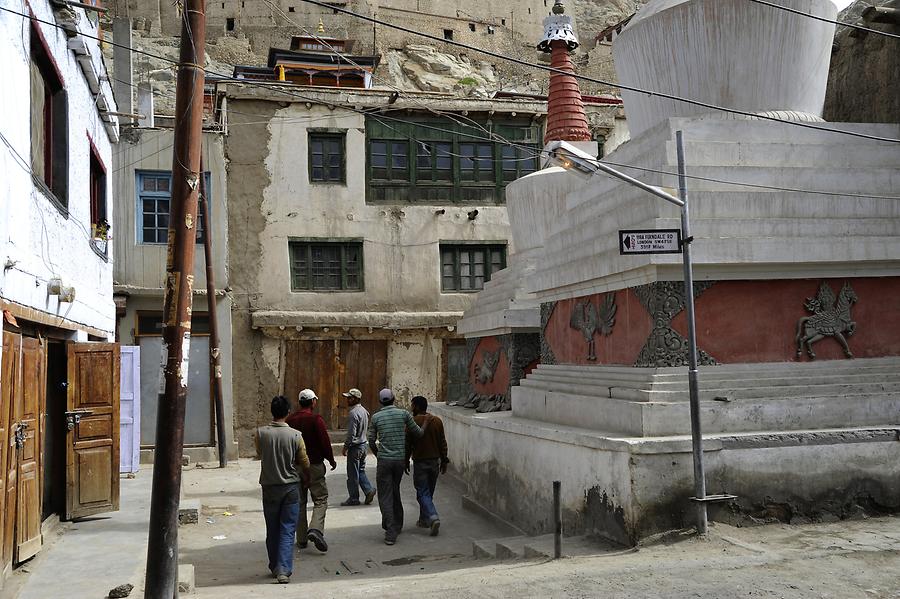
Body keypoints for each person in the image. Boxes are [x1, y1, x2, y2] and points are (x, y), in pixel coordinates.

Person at [255, 395, 310, 584]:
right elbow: (304, 461)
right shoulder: (296, 435)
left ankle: (274, 565)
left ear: (272, 411)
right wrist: (305, 476)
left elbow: (259, 453)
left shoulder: (261, 433)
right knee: (287, 529)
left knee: (272, 528)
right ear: (288, 412)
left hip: (269, 487)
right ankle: (284, 570)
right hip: (290, 488)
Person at [368, 388, 425, 545]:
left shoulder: (376, 417)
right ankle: (396, 524)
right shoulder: (404, 414)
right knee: (394, 491)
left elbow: (371, 440)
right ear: (394, 399)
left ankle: (391, 530)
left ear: (381, 402)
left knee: (385, 495)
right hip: (399, 461)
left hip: (384, 461)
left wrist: (378, 453)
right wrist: (426, 422)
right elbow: (419, 433)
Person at [285, 388, 337, 553]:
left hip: (295, 466)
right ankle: (315, 529)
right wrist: (331, 459)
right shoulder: (316, 420)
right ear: (313, 402)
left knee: (299, 502)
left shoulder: (290, 420)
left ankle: (301, 540)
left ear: (300, 402)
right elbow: (324, 442)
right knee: (320, 499)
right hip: (314, 465)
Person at [406, 395, 449, 537]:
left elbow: (408, 444)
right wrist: (444, 460)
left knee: (422, 493)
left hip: (420, 462)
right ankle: (424, 519)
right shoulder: (437, 421)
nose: (411, 408)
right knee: (428, 493)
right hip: (434, 462)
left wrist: (405, 460)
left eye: (412, 405)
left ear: (417, 406)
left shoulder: (412, 422)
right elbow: (442, 443)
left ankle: (433, 517)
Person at [340, 388, 376, 507]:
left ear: (355, 399)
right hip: (363, 445)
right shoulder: (364, 411)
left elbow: (351, 434)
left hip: (355, 447)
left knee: (352, 474)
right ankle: (368, 490)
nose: (347, 400)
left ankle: (354, 498)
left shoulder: (353, 413)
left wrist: (345, 447)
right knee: (360, 470)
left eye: (349, 398)